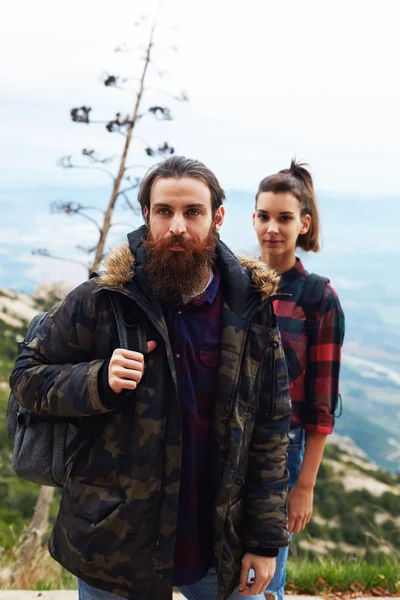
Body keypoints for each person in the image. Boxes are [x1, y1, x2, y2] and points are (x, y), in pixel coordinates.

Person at [10, 156, 292, 600]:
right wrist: (98, 380)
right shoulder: (103, 299)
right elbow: (27, 378)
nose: (177, 226)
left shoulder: (250, 308)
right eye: (164, 211)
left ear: (217, 217)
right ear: (146, 216)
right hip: (114, 545)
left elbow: (272, 428)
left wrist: (263, 540)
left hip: (219, 544)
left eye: (192, 212)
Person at [252, 160, 345, 600]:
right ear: (252, 217)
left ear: (303, 223)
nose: (273, 227)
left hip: (284, 449)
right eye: (264, 216)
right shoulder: (236, 284)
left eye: (284, 217)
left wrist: (303, 486)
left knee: (268, 569)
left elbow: (322, 404)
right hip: (229, 438)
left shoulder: (318, 298)